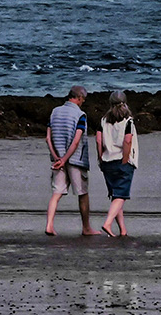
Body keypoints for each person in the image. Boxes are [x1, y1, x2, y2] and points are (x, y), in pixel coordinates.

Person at [45, 85, 97, 236]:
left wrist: (57, 158)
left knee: (56, 193)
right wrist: (66, 158)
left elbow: (48, 138)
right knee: (82, 193)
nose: (83, 102)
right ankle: (86, 228)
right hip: (75, 160)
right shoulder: (80, 115)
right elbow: (76, 140)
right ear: (79, 97)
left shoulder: (54, 112)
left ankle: (49, 225)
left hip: (57, 158)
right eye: (83, 99)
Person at [95, 90, 139, 237]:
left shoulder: (103, 120)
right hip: (122, 160)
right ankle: (108, 223)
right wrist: (126, 159)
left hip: (107, 160)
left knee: (115, 195)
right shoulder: (128, 121)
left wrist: (100, 156)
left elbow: (98, 140)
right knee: (121, 195)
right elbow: (127, 140)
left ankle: (122, 230)